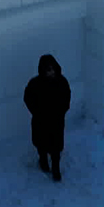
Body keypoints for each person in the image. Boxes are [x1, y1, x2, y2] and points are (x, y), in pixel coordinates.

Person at [23, 54, 70, 182]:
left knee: (56, 148)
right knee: (41, 143)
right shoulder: (35, 84)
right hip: (41, 121)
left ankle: (56, 169)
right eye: (48, 69)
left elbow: (67, 97)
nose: (51, 72)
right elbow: (27, 98)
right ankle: (43, 161)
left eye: (52, 68)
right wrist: (37, 112)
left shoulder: (62, 82)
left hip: (56, 121)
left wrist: (61, 111)